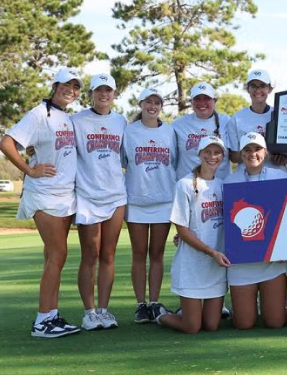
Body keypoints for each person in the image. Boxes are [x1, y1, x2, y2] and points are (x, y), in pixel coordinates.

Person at [0, 68, 83, 338]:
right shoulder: (38, 113)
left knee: (53, 256)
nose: (70, 89)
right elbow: (7, 143)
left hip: (64, 196)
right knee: (58, 255)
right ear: (55, 86)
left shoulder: (66, 118)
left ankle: (51, 315)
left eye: (75, 86)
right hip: (44, 194)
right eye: (65, 85)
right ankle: (42, 321)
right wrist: (30, 169)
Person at [156, 136, 232, 333]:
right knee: (192, 327)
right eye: (207, 152)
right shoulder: (185, 185)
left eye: (217, 152)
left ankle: (190, 312)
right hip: (192, 265)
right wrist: (211, 252)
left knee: (212, 326)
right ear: (199, 154)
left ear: (223, 156)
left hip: (215, 267)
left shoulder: (225, 185)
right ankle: (162, 316)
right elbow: (181, 229)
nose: (212, 156)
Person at [71, 73, 128, 330]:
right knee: (90, 255)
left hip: (116, 194)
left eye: (108, 90)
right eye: (99, 90)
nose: (104, 94)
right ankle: (89, 312)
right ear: (91, 93)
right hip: (87, 195)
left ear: (114, 93)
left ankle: (104, 310)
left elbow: (126, 156)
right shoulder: (77, 120)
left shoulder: (121, 121)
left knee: (108, 255)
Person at [223, 132, 287, 329]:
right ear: (241, 154)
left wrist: (284, 249)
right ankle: (244, 308)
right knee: (244, 324)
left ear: (266, 152)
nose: (252, 154)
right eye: (247, 150)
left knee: (275, 322)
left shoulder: (280, 176)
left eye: (257, 149)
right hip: (242, 264)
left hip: (272, 262)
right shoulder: (229, 181)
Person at [122, 87, 177, 323]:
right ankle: (140, 305)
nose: (152, 106)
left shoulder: (170, 131)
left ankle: (154, 302)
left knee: (156, 254)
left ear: (161, 107)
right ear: (141, 104)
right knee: (138, 253)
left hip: (164, 199)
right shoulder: (129, 131)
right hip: (136, 200)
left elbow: (174, 161)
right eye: (148, 102)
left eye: (157, 103)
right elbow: (123, 161)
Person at [225, 69, 287, 172]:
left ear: (270, 89)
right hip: (247, 177)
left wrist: (283, 158)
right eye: (253, 86)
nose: (258, 90)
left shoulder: (281, 115)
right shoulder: (237, 118)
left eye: (262, 86)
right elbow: (234, 157)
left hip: (276, 174)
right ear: (248, 89)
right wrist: (261, 155)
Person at [172, 83, 231, 180]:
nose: (202, 102)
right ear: (191, 101)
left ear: (214, 101)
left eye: (207, 98)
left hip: (219, 187)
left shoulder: (227, 122)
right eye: (197, 98)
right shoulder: (178, 124)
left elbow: (237, 155)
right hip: (188, 186)